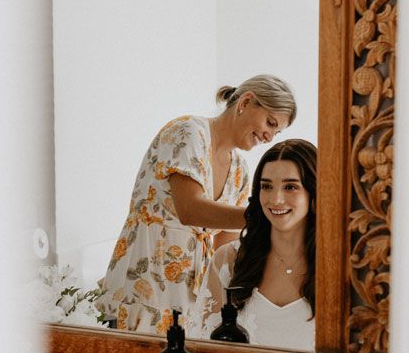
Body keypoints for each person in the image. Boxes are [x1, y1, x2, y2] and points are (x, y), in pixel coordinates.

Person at [97, 75, 297, 334]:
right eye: (270, 123)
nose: (270, 136)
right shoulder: (189, 132)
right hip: (143, 283)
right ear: (246, 102)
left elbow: (224, 251)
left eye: (277, 131)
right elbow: (190, 209)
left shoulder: (240, 171)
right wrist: (265, 217)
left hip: (190, 297)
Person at [191, 139, 316, 351]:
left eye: (290, 187)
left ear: (313, 193)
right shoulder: (228, 260)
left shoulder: (339, 264)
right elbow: (204, 349)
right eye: (266, 186)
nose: (276, 199)